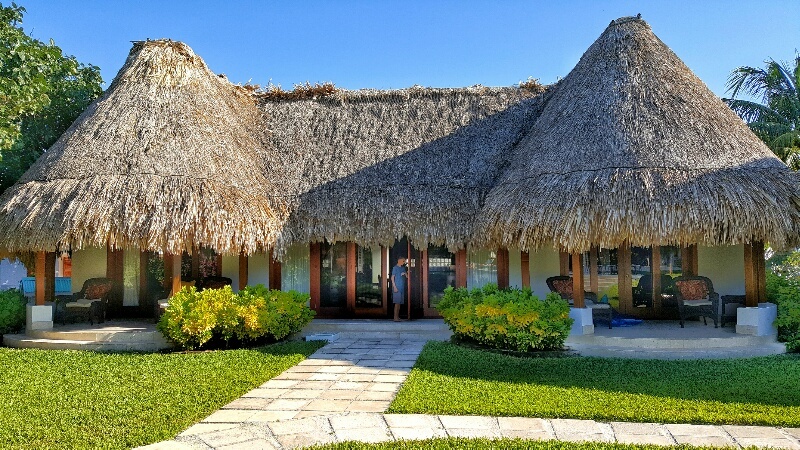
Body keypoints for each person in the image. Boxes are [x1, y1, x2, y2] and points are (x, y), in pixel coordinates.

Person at [391, 257, 407, 321]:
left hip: (401, 287)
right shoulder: (395, 268)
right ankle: (395, 317)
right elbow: (392, 278)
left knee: (399, 303)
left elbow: (407, 276)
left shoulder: (403, 268)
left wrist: (405, 273)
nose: (404, 262)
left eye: (404, 261)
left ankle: (397, 316)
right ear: (399, 261)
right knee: (397, 303)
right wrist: (394, 287)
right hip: (397, 287)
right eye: (403, 261)